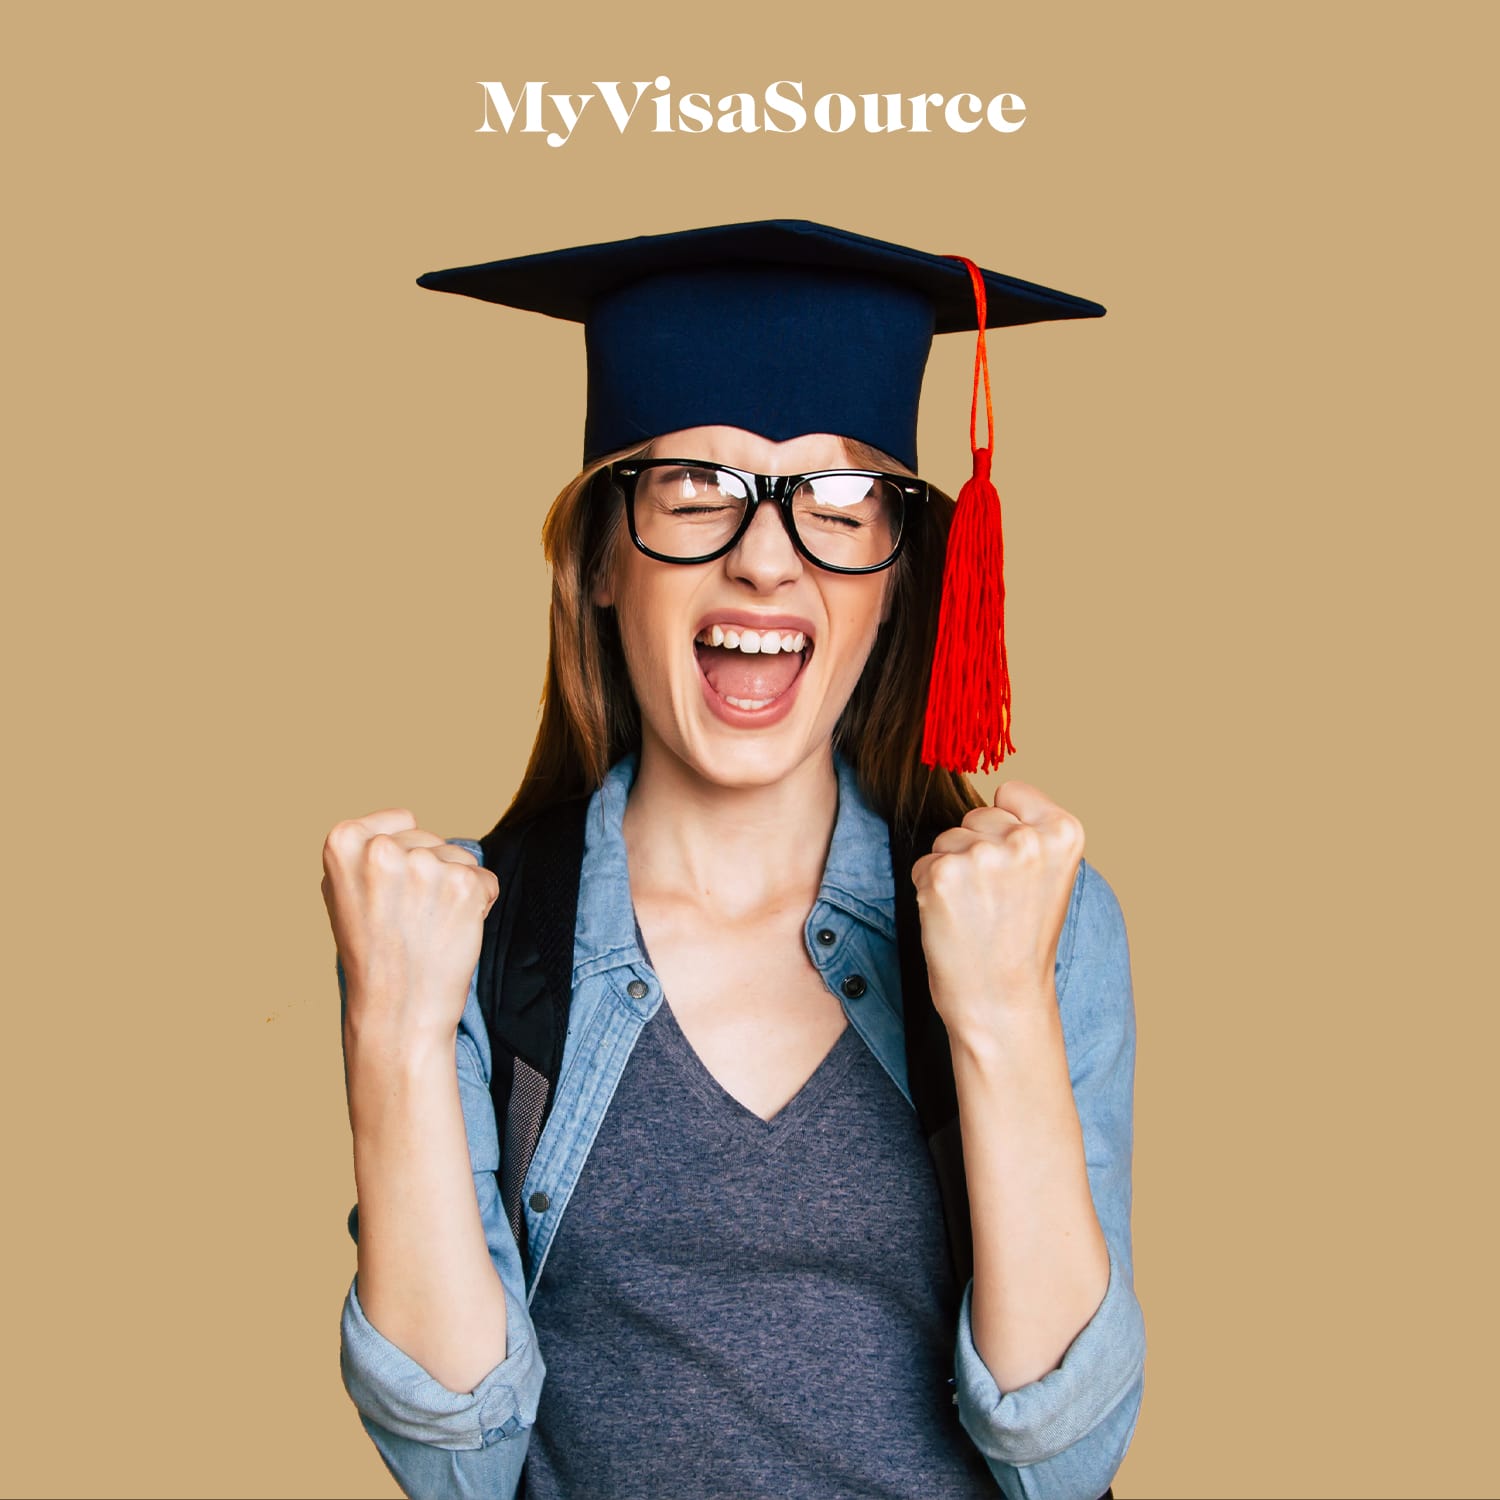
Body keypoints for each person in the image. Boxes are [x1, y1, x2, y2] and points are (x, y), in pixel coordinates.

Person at [321, 220, 1146, 1500]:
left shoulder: (1042, 923)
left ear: (899, 577)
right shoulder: (469, 936)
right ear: (600, 557)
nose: (766, 555)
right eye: (696, 489)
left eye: (840, 500)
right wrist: (391, 1028)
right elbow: (455, 1463)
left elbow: (1068, 1451)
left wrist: (996, 1012)